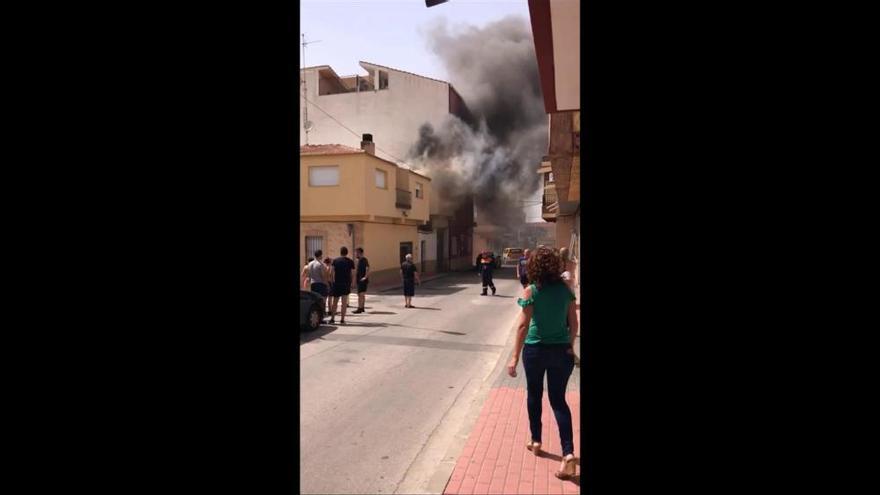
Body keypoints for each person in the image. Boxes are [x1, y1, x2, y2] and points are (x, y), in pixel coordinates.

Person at [506, 246, 579, 480]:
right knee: (559, 401)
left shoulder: (531, 291)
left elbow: (522, 327)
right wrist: (569, 345)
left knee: (534, 395)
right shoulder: (566, 291)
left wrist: (515, 357)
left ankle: (536, 440)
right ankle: (568, 454)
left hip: (535, 351)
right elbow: (574, 323)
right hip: (561, 352)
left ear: (534, 266)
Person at [329, 247, 355, 325]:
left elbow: (331, 272)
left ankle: (332, 319)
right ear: (347, 253)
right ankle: (342, 320)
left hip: (337, 284)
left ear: (340, 252)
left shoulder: (335, 261)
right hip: (346, 284)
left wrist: (332, 281)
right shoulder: (350, 261)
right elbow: (352, 273)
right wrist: (352, 283)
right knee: (344, 303)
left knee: (335, 302)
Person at [353, 247, 370, 314]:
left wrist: (365, 277)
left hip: (362, 280)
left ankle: (359, 308)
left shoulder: (363, 260)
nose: (355, 254)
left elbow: (367, 268)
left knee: (360, 294)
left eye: (356, 253)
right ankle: (362, 307)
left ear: (359, 253)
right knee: (361, 294)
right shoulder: (360, 260)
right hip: (360, 280)